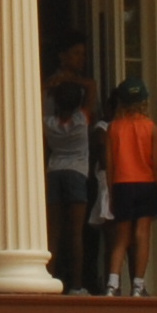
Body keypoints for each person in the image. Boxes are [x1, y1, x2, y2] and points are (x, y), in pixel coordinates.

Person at [99, 78, 157, 297]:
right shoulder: (151, 128)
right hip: (146, 183)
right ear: (144, 101)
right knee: (142, 234)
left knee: (121, 236)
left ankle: (112, 283)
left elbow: (109, 163)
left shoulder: (113, 128)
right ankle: (138, 284)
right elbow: (155, 162)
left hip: (121, 184)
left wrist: (111, 190)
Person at [45, 79, 97, 293]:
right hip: (76, 174)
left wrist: (53, 83)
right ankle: (76, 285)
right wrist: (72, 77)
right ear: (78, 103)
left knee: (53, 232)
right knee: (76, 232)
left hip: (54, 172)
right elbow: (92, 88)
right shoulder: (82, 119)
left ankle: (48, 278)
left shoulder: (47, 123)